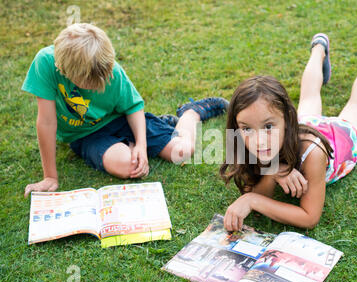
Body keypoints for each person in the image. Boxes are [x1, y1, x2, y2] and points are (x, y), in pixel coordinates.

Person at [22, 23, 228, 197]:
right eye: (91, 82)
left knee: (181, 152)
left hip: (121, 118)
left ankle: (192, 112)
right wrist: (50, 176)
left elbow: (133, 106)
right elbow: (47, 122)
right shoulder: (46, 63)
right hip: (86, 134)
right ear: (66, 71)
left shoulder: (110, 70)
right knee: (129, 167)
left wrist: (141, 144)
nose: (99, 85)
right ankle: (161, 125)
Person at [220, 33, 357, 231]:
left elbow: (309, 217)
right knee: (309, 97)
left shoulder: (313, 153)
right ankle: (319, 48)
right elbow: (264, 193)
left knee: (356, 106)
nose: (259, 140)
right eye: (247, 128)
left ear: (287, 119)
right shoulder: (252, 142)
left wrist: (251, 200)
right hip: (303, 126)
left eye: (268, 126)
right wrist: (273, 170)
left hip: (339, 139)